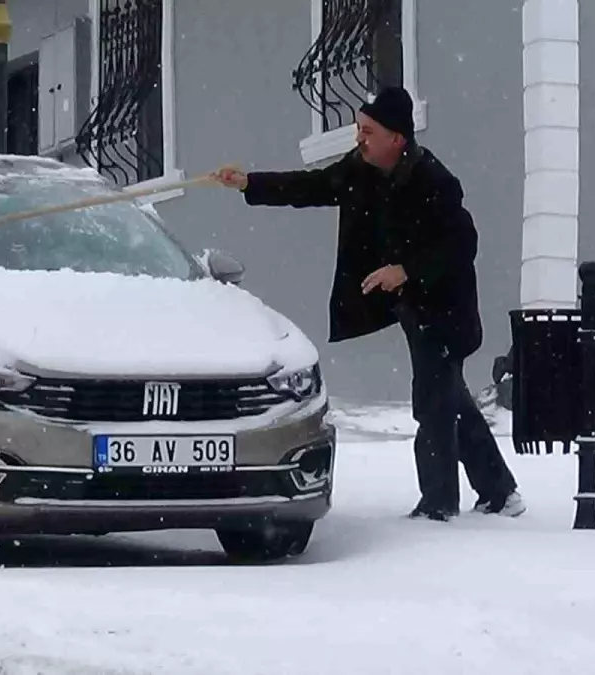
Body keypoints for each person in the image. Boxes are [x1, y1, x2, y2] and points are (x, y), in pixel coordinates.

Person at [212, 86, 524, 521]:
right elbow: (313, 185)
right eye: (359, 129)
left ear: (397, 138)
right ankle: (500, 492)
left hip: (445, 307)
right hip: (412, 307)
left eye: (368, 131)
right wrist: (250, 183)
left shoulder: (434, 181)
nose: (359, 138)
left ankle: (438, 508)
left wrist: (406, 270)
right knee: (449, 398)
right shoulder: (361, 169)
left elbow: (461, 243)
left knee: (433, 403)